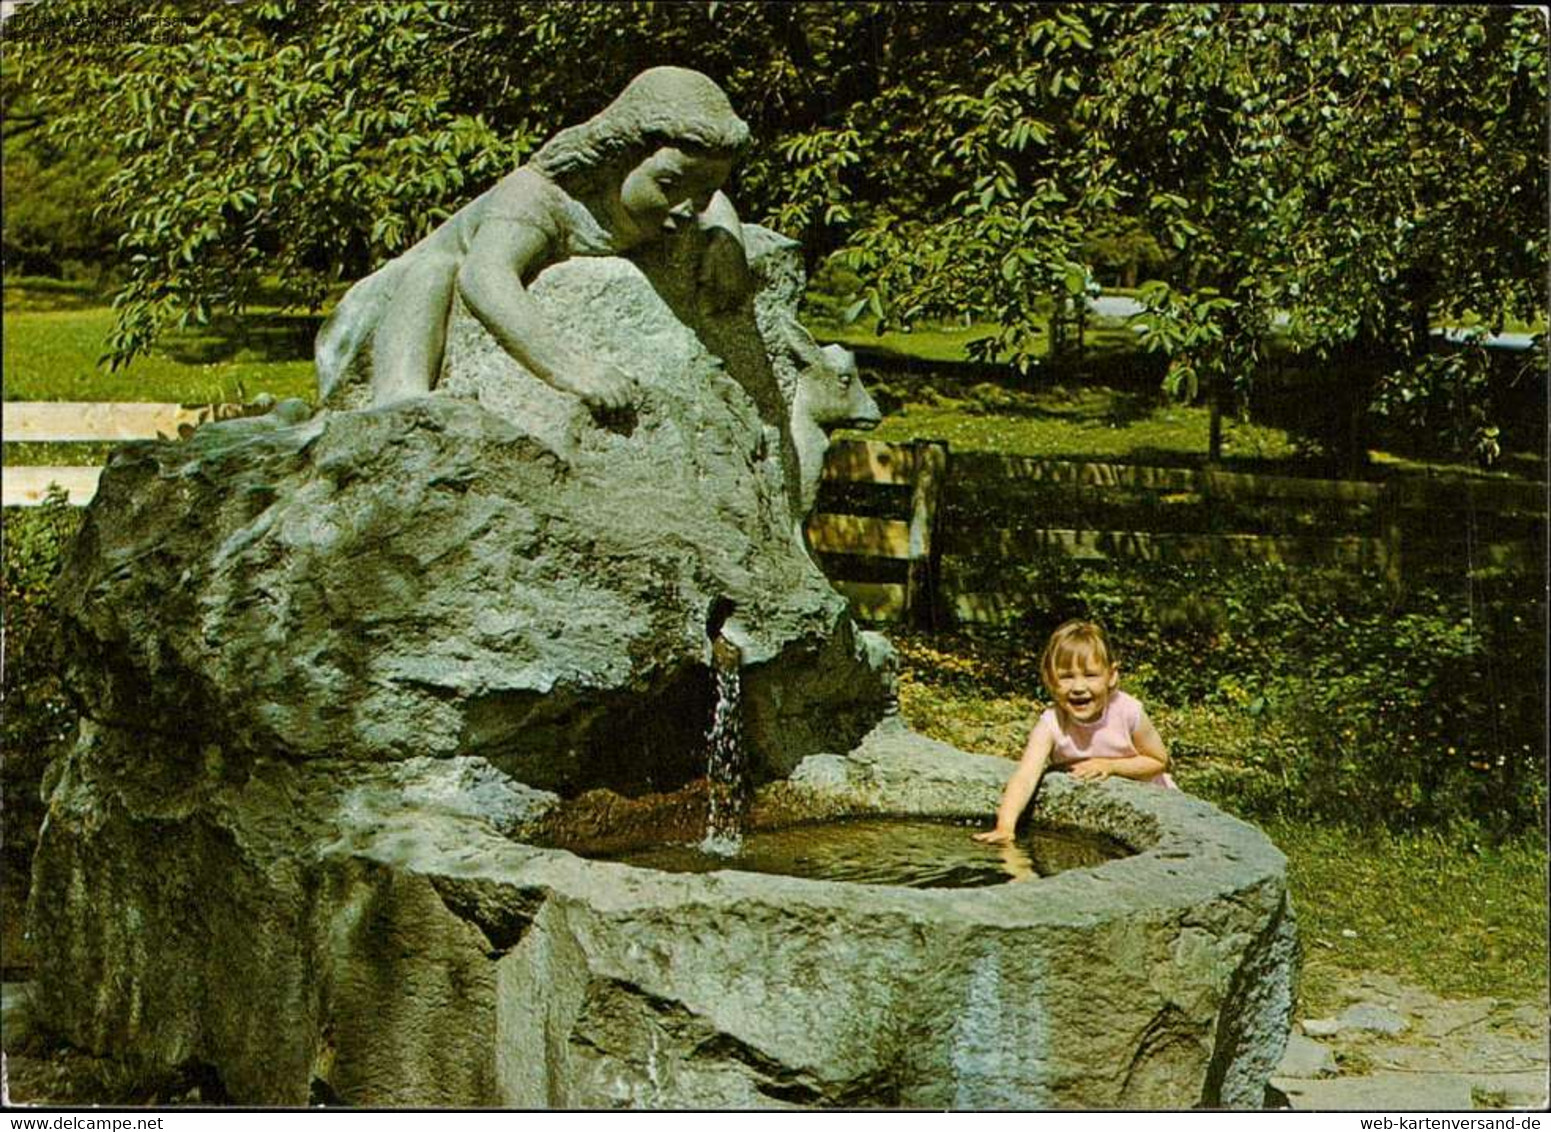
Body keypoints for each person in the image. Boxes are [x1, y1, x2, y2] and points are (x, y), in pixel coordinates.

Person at [315, 66, 752, 411]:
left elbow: (708, 194)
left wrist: (727, 241)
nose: (685, 208)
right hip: (375, 320)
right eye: (671, 187)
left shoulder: (677, 187)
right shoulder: (540, 197)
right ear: (622, 153)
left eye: (703, 191)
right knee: (435, 268)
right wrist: (570, 369)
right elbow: (484, 277)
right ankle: (400, 397)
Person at [974, 619, 1173, 845]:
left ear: (1112, 675)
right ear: (1050, 679)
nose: (1078, 688)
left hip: (1153, 803)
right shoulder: (1052, 723)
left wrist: (1110, 766)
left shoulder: (1127, 711)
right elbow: (1025, 776)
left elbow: (1158, 760)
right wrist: (1005, 826)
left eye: (1090, 675)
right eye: (1066, 677)